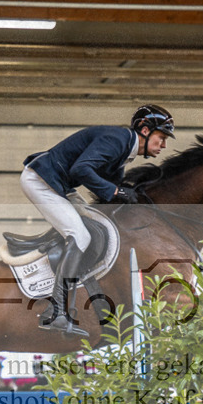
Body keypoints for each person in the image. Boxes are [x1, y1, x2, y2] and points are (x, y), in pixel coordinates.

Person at [20, 105, 175, 337]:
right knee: (80, 236)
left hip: (59, 185)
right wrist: (116, 192)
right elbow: (82, 169)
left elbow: (110, 190)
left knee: (98, 224)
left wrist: (129, 197)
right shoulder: (117, 139)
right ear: (144, 130)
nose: (163, 145)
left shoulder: (124, 150)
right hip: (41, 182)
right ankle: (56, 312)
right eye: (161, 138)